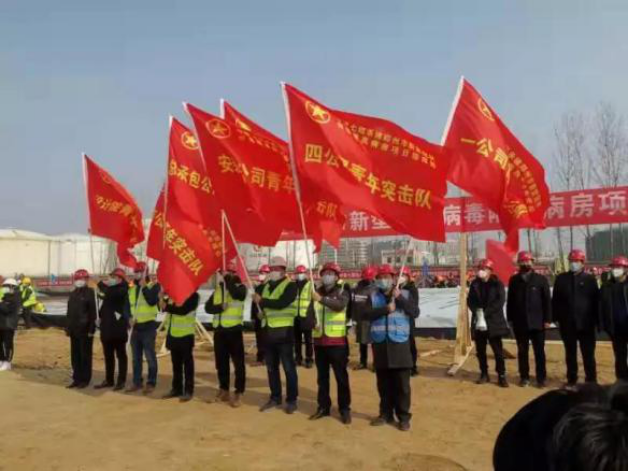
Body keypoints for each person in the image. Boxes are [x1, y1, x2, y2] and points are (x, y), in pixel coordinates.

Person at [363, 264, 419, 431]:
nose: (383, 280)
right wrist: (385, 309)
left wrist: (399, 298)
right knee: (383, 384)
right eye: (380, 278)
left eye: (387, 277)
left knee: (402, 385)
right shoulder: (372, 296)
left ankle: (403, 417)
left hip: (400, 345)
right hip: (380, 345)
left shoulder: (407, 293)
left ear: (394, 278)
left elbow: (414, 312)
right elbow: (365, 315)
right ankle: (385, 413)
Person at [253, 256, 299, 414]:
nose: (273, 272)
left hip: (284, 333)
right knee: (271, 368)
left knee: (288, 368)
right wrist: (261, 313)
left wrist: (262, 301)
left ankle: (292, 400)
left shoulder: (290, 286)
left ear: (284, 270)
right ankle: (275, 397)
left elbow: (281, 303)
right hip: (268, 333)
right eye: (272, 269)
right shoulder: (265, 286)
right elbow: (256, 297)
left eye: (277, 269)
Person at [309, 262, 352, 424]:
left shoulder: (343, 290)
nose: (327, 275)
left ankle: (344, 409)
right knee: (322, 378)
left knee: (341, 378)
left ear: (336, 276)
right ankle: (323, 407)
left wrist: (321, 299)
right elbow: (310, 313)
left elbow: (339, 306)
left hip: (337, 342)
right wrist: (312, 322)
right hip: (319, 341)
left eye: (330, 273)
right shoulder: (316, 292)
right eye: (325, 273)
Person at [552, 249, 599, 388]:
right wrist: (555, 317)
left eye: (576, 261)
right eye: (571, 261)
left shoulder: (590, 280)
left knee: (588, 354)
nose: (573, 264)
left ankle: (591, 380)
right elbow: (555, 301)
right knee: (570, 353)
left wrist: (597, 320)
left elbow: (596, 301)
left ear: (582, 262)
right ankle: (572, 379)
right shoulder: (561, 279)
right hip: (567, 324)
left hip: (586, 324)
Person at [507, 251, 551, 388]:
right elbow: (511, 302)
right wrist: (510, 319)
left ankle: (541, 378)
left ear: (532, 262)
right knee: (522, 351)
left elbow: (547, 301)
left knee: (539, 352)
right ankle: (524, 377)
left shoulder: (540, 280)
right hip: (520, 323)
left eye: (528, 261)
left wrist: (548, 319)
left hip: (538, 322)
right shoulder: (514, 280)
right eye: (523, 261)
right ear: (519, 263)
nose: (525, 264)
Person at [205, 262, 247, 407]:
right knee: (221, 363)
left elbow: (237, 295)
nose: (221, 276)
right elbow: (207, 307)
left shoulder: (240, 288)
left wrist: (228, 279)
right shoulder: (218, 289)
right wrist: (219, 307)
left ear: (233, 273)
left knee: (238, 364)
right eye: (221, 273)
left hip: (234, 331)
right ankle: (223, 389)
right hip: (220, 331)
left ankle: (239, 391)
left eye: (225, 273)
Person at [467, 259, 509, 387]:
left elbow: (500, 301)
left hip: (494, 322)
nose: (480, 271)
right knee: (480, 350)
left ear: (490, 270)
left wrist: (485, 313)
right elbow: (470, 300)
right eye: (479, 268)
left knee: (497, 351)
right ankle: (484, 373)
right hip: (479, 322)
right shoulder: (475, 284)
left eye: (483, 269)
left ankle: (501, 375)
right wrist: (477, 311)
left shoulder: (497, 284)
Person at [127, 262, 161, 394]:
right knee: (136, 358)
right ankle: (137, 382)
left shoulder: (153, 286)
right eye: (136, 272)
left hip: (148, 327)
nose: (137, 274)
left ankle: (151, 382)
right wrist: (128, 318)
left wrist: (144, 287)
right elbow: (126, 305)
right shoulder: (132, 288)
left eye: (139, 272)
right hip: (135, 328)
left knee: (150, 356)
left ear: (145, 273)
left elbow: (152, 300)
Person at [95, 268, 130, 391]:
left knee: (121, 355)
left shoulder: (123, 290)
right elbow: (105, 304)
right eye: (110, 277)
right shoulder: (111, 289)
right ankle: (109, 380)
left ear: (120, 278)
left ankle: (121, 381)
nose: (110, 279)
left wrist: (100, 283)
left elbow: (110, 295)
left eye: (113, 277)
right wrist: (100, 316)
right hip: (107, 329)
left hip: (118, 329)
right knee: (108, 356)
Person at [162, 291, 199, 402]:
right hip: (173, 334)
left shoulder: (193, 296)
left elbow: (183, 310)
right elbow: (163, 307)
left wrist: (167, 306)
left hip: (186, 335)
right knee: (176, 364)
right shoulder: (173, 295)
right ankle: (176, 388)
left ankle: (188, 390)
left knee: (187, 365)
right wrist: (162, 297)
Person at [65, 269, 97, 388]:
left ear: (86, 280)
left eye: (81, 279)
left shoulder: (90, 293)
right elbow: (69, 312)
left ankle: (85, 379)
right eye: (77, 279)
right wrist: (68, 327)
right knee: (75, 355)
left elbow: (93, 313)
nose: (79, 281)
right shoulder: (73, 294)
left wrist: (91, 329)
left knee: (85, 355)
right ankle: (76, 378)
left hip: (85, 330)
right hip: (74, 330)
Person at [600, 255, 628, 381]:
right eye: (614, 267)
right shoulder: (606, 287)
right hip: (616, 329)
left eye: (619, 267)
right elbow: (600, 307)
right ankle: (622, 381)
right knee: (620, 357)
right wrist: (604, 326)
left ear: (625, 269)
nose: (616, 269)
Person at [352, 266, 377, 370]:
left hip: (373, 319)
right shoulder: (357, 287)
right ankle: (363, 362)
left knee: (375, 342)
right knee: (362, 342)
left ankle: (376, 363)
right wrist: (353, 318)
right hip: (360, 319)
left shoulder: (376, 288)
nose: (367, 279)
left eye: (369, 277)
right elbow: (353, 303)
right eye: (366, 277)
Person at [397, 266, 419, 376]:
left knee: (410, 344)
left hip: (408, 319)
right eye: (399, 275)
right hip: (398, 320)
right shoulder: (396, 288)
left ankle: (413, 367)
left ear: (408, 277)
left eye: (403, 275)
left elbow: (414, 306)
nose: (400, 277)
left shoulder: (412, 289)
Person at [293, 265, 314, 368]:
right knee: (296, 340)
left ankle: (309, 359)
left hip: (307, 316)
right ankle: (298, 358)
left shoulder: (310, 285)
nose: (299, 275)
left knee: (308, 340)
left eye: (301, 273)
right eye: (297, 273)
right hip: (295, 317)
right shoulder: (293, 285)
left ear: (305, 273)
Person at [251, 264, 270, 366]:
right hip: (258, 317)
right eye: (261, 273)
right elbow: (254, 304)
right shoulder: (257, 287)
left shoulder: (271, 287)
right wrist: (253, 316)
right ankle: (260, 357)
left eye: (264, 273)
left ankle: (268, 357)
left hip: (267, 317)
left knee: (267, 338)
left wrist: (265, 313)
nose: (262, 275)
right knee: (259, 338)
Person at [0, 278, 20, 371]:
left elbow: (6, 310)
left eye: (6, 286)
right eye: (4, 286)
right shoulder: (4, 298)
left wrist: (0, 304)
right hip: (2, 324)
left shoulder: (15, 298)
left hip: (9, 325)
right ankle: (1, 359)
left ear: (12, 287)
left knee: (7, 344)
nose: (4, 288)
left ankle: (7, 362)